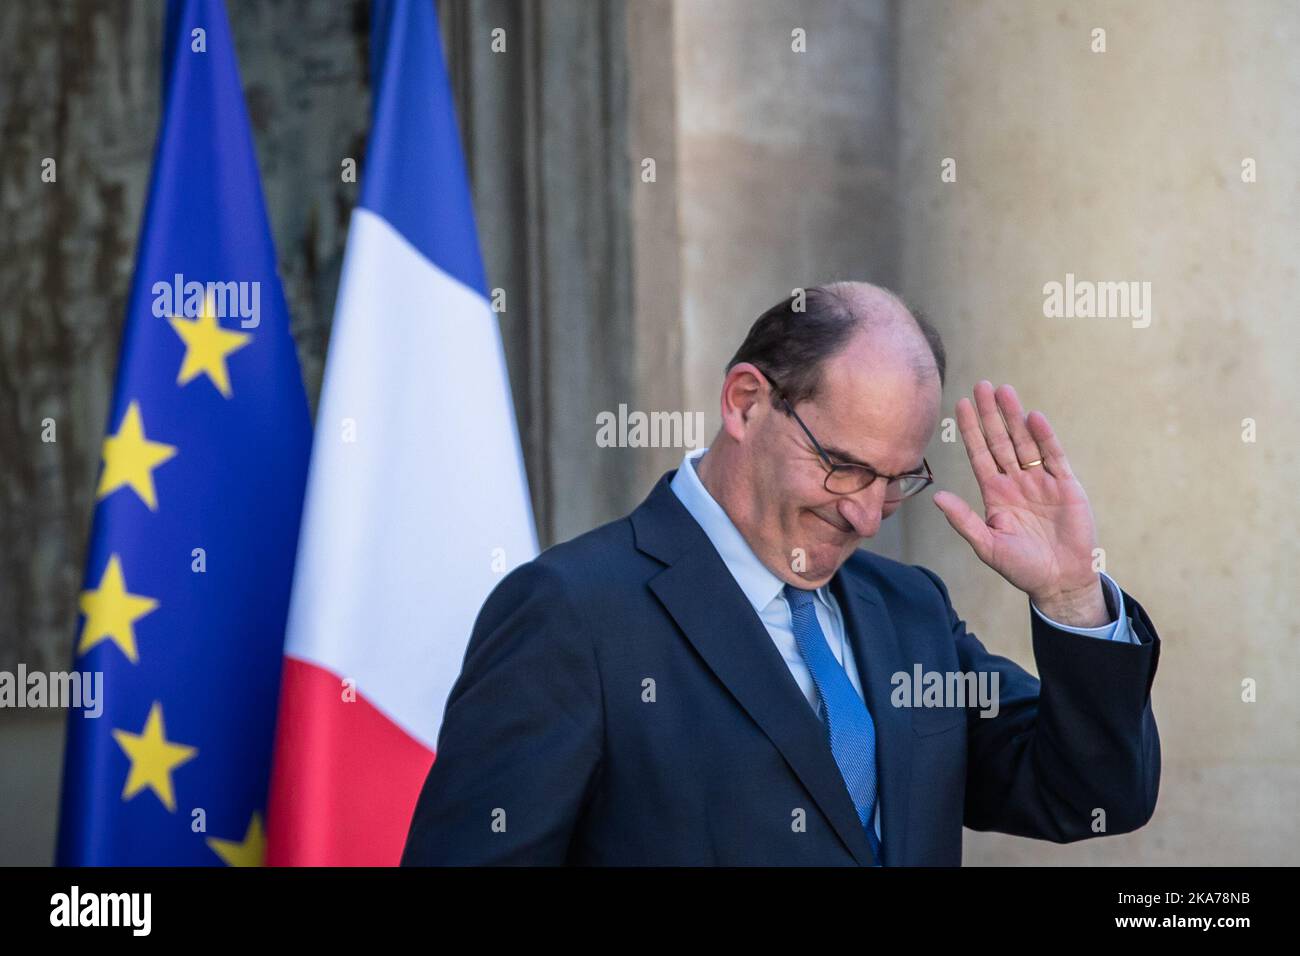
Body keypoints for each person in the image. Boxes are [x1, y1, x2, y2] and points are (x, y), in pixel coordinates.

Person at [401, 281, 1161, 866]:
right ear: (745, 403)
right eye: (843, 467)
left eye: (897, 480)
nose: (867, 515)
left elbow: (1091, 796)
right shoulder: (573, 613)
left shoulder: (910, 610)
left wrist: (1070, 594)